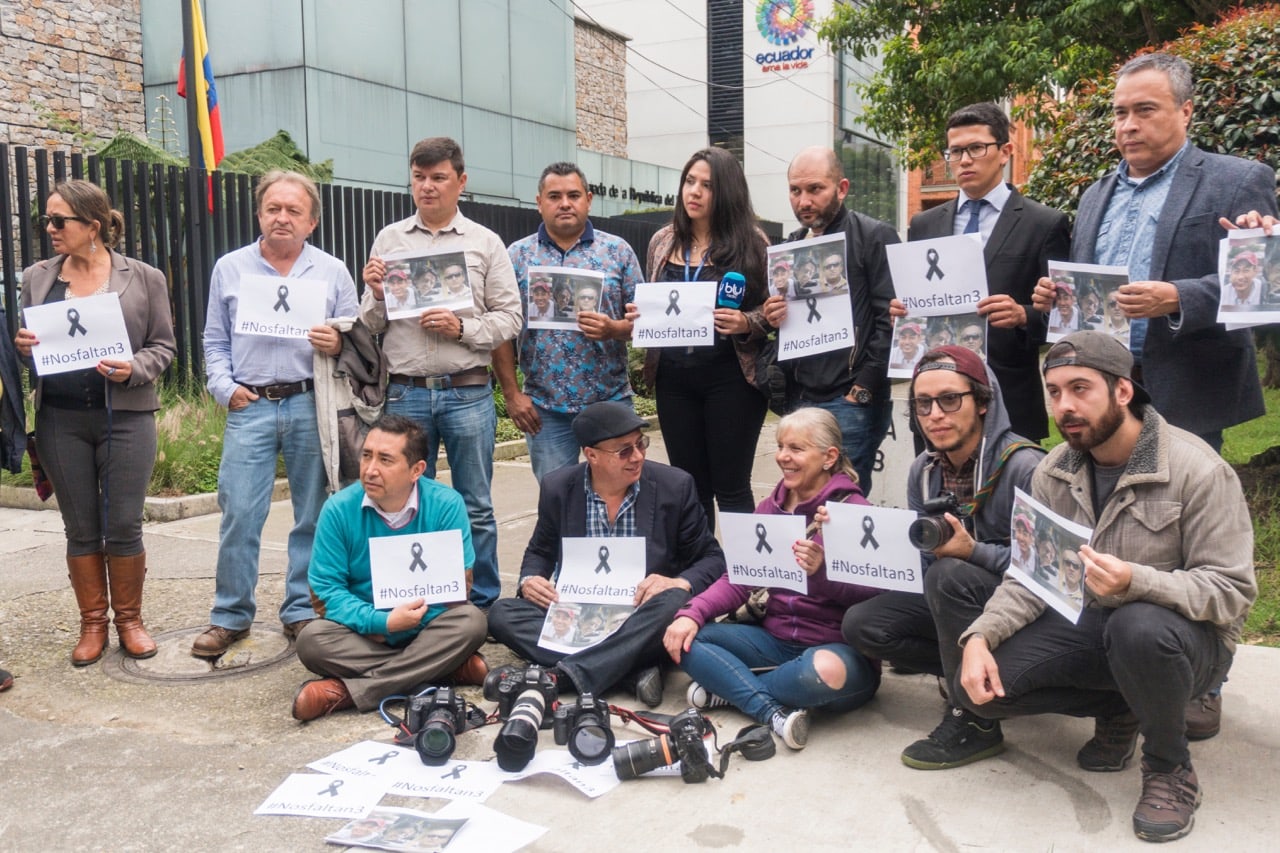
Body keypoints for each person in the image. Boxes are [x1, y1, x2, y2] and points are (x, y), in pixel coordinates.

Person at [933, 331, 1255, 843]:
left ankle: (1169, 768)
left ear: (1123, 391)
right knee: (985, 694)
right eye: (1054, 392)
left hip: (1187, 645)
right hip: (1090, 628)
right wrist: (979, 638)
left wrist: (1137, 582)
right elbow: (1030, 577)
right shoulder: (1052, 470)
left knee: (1138, 624)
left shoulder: (1198, 471)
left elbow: (1232, 591)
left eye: (1080, 388)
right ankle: (1121, 707)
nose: (1065, 406)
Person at [1032, 52, 1276, 452]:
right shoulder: (1095, 195)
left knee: (1177, 506)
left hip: (1187, 386)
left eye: (1145, 110)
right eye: (1120, 113)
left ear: (1186, 111)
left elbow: (1263, 287)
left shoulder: (1237, 180)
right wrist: (1057, 298)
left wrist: (1179, 298)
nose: (1128, 126)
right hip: (1102, 383)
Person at [841, 345, 1043, 767]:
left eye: (951, 399)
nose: (935, 414)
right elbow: (924, 563)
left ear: (984, 403)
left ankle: (973, 718)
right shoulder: (924, 470)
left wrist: (973, 552)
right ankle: (972, 671)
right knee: (865, 624)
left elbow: (1048, 570)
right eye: (923, 403)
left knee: (950, 572)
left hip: (1026, 610)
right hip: (958, 598)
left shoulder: (1025, 467)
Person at [193, 171, 358, 658]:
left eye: (293, 211)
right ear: (260, 214)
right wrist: (225, 389)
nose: (282, 218)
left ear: (312, 221)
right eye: (273, 209)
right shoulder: (231, 267)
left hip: (312, 402)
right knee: (240, 513)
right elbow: (214, 339)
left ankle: (300, 610)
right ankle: (230, 615)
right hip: (252, 405)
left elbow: (358, 337)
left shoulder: (332, 272)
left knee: (313, 514)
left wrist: (339, 340)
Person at [14, 180, 176, 665]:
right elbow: (29, 353)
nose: (50, 228)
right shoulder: (37, 278)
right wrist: (25, 350)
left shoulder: (143, 277)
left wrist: (136, 368)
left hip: (125, 416)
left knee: (124, 524)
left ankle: (130, 621)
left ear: (93, 226)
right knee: (80, 528)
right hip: (61, 418)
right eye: (47, 219)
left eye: (59, 220)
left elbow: (163, 346)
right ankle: (92, 625)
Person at [360, 137, 522, 610]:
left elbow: (510, 318)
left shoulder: (484, 243)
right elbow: (368, 325)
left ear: (460, 181)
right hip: (406, 393)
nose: (427, 187)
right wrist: (373, 292)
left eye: (438, 177)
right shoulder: (389, 241)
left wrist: (463, 327)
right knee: (401, 501)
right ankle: (414, 599)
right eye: (419, 177)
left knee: (476, 505)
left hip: (466, 392)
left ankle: (485, 601)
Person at [663, 408, 881, 750]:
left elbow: (873, 600)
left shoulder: (854, 510)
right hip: (774, 641)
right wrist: (692, 612)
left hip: (833, 652)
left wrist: (821, 571)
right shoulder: (769, 507)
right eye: (780, 446)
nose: (783, 457)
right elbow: (738, 578)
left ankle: (731, 689)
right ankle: (769, 709)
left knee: (820, 672)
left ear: (829, 457)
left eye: (796, 448)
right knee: (688, 638)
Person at [487, 401, 726, 708]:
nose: (638, 456)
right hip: (577, 613)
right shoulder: (558, 488)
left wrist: (678, 582)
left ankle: (564, 676)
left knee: (676, 603)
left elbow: (712, 559)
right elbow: (541, 549)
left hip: (642, 613)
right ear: (592, 456)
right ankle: (629, 669)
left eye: (641, 444)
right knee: (502, 614)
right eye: (624, 450)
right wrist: (530, 579)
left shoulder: (674, 486)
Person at [292, 415, 488, 721]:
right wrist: (380, 623)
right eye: (366, 455)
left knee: (471, 621)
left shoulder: (446, 505)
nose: (370, 469)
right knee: (312, 641)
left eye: (385, 460)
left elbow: (457, 589)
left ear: (416, 470)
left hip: (426, 627)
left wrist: (408, 623)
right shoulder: (338, 509)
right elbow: (324, 594)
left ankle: (347, 692)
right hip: (366, 633)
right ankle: (445, 669)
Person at [907, 103, 1070, 441]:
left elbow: (1065, 319)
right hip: (937, 403)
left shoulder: (1044, 224)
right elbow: (916, 302)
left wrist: (1022, 315)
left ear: (1004, 152)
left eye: (976, 148)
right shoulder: (924, 225)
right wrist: (903, 311)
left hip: (1008, 399)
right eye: (955, 151)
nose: (964, 160)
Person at [635, 147, 770, 529]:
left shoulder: (753, 243)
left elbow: (774, 311)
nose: (693, 191)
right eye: (689, 181)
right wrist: (641, 315)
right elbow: (655, 303)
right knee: (689, 486)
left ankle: (745, 578)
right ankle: (702, 575)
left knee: (731, 486)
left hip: (731, 378)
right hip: (673, 379)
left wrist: (746, 322)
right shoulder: (662, 241)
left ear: (726, 191)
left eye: (707, 185)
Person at [763, 146, 898, 494]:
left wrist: (862, 388)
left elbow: (890, 320)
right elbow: (784, 324)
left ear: (842, 188)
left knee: (842, 503)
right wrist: (773, 316)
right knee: (801, 497)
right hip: (800, 398)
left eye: (814, 189)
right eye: (795, 190)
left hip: (849, 398)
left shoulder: (874, 236)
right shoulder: (789, 247)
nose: (803, 200)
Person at [496, 162, 643, 481]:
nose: (565, 203)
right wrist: (511, 395)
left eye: (574, 195)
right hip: (545, 410)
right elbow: (501, 331)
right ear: (539, 202)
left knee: (621, 496)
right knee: (558, 503)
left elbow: (645, 324)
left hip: (611, 402)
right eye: (554, 196)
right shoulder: (517, 256)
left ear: (589, 199)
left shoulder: (617, 252)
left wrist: (613, 328)